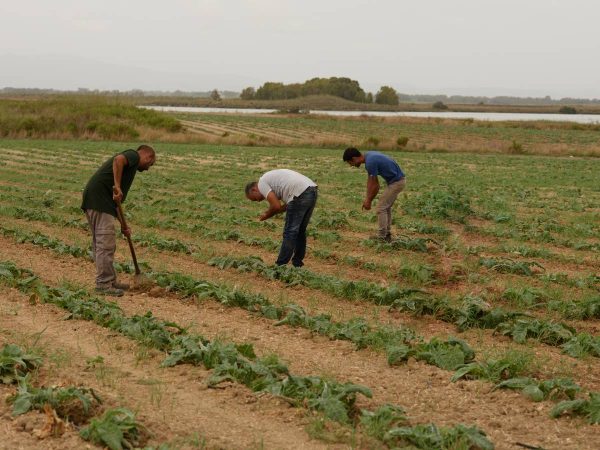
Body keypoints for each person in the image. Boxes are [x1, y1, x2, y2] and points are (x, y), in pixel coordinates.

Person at [81, 145, 156, 296]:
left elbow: (117, 204)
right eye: (151, 164)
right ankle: (103, 284)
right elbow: (118, 160)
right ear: (148, 156)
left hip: (100, 201)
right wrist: (117, 185)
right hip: (99, 201)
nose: (148, 168)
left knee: (105, 243)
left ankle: (110, 281)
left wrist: (123, 226)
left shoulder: (128, 171)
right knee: (105, 244)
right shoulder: (133, 155)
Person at [245, 169, 317, 267]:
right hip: (311, 190)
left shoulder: (262, 183)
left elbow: (276, 206)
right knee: (300, 231)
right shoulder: (272, 181)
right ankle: (297, 263)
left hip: (299, 192)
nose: (258, 201)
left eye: (254, 199)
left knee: (290, 232)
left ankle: (280, 265)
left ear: (254, 189)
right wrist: (272, 211)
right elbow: (289, 205)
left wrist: (267, 215)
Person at [343, 147, 406, 242]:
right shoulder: (369, 156)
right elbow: (370, 181)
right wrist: (367, 198)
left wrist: (369, 201)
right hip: (397, 181)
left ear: (354, 158)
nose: (351, 165)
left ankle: (382, 237)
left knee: (381, 207)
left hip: (397, 182)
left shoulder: (370, 162)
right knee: (386, 207)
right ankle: (386, 235)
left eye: (350, 163)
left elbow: (376, 185)